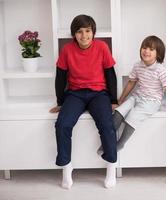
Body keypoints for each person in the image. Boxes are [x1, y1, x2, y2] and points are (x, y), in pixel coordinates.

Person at [49, 14, 118, 189]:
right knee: (63, 124)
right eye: (79, 32)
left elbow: (110, 74)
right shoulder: (67, 50)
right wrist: (61, 101)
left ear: (93, 32)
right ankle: (66, 167)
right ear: (74, 34)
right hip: (75, 94)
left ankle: (111, 167)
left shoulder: (102, 47)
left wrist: (113, 99)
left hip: (99, 94)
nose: (84, 35)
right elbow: (61, 76)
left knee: (107, 125)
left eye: (88, 31)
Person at [97, 35, 166, 154]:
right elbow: (131, 83)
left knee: (133, 116)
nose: (146, 51)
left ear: (158, 54)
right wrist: (121, 100)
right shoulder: (137, 65)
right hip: (137, 97)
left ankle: (120, 144)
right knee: (118, 112)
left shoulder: (160, 70)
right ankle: (107, 142)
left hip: (152, 101)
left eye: (151, 49)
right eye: (144, 48)